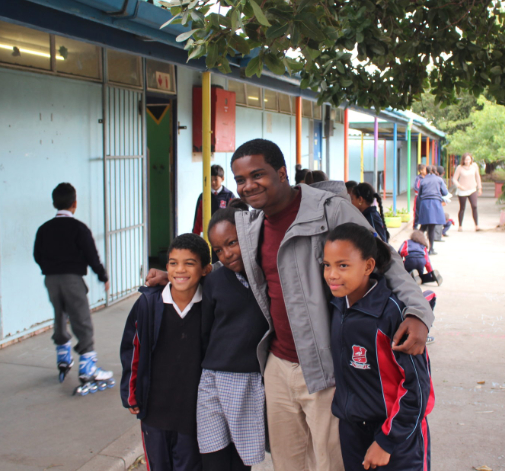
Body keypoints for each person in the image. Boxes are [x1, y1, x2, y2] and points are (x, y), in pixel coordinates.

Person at [146, 139, 433, 471]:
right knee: (287, 462)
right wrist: (180, 277)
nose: (248, 186)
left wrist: (417, 313)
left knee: (330, 462)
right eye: (240, 180)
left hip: (325, 368)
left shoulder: (330, 211)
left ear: (282, 173)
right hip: (277, 364)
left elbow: (385, 261)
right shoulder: (252, 225)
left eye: (258, 175)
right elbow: (232, 271)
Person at [323, 223, 433, 471]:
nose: (332, 274)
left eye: (343, 265)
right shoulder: (337, 305)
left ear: (368, 266)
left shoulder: (392, 315)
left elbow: (418, 388)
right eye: (327, 265)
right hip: (352, 431)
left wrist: (386, 441)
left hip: (397, 435)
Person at [120, 234, 212, 471]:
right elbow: (132, 349)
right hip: (155, 410)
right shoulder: (148, 304)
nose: (179, 270)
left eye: (189, 263)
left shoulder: (211, 305)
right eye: (173, 263)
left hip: (193, 413)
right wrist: (131, 393)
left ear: (205, 270)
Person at [198, 207, 270, 470]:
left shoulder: (267, 277)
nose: (227, 254)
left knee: (241, 461)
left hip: (249, 381)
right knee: (213, 455)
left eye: (232, 243)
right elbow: (205, 331)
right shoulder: (214, 281)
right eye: (218, 250)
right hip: (212, 379)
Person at [33, 182, 113, 386]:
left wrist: (50, 268)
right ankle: (87, 366)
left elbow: (37, 255)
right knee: (81, 319)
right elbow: (91, 255)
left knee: (59, 314)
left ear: (54, 203)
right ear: (74, 204)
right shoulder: (79, 228)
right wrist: (102, 276)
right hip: (72, 280)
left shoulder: (44, 229)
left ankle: (63, 355)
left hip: (51, 280)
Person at [415, 166, 449, 255]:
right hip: (435, 204)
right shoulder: (439, 180)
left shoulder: (423, 180)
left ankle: (415, 245)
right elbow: (445, 192)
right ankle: (431, 249)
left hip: (424, 204)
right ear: (436, 171)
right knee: (431, 227)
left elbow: (420, 194)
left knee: (423, 226)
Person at [193, 165, 235, 236]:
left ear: (222, 179)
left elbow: (233, 216)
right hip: (208, 233)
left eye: (215, 179)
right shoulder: (203, 196)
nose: (213, 182)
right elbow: (198, 218)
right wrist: (195, 235)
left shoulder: (229, 196)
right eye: (210, 179)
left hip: (225, 232)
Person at [452, 153, 482, 232]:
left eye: (469, 159)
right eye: (466, 160)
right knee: (462, 207)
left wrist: (480, 187)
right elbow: (454, 179)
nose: (467, 161)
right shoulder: (460, 168)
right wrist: (459, 186)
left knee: (474, 206)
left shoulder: (474, 166)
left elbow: (478, 177)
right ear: (463, 160)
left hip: (472, 189)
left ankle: (477, 225)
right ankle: (460, 225)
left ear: (471, 159)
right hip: (462, 191)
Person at [412, 165, 426, 230]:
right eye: (424, 169)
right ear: (421, 171)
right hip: (418, 196)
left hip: (425, 197)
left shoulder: (427, 177)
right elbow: (416, 187)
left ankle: (423, 225)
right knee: (417, 211)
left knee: (424, 211)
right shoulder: (418, 178)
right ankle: (415, 225)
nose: (426, 171)